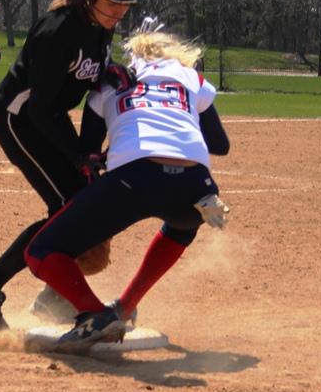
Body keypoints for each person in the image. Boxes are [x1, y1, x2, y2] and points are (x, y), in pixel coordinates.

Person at [0, 0, 147, 330]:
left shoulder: (99, 27)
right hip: (20, 119)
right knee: (66, 208)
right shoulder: (58, 30)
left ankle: (54, 299)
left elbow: (86, 81)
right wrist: (80, 155)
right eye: (113, 4)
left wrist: (112, 76)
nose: (120, 13)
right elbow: (40, 108)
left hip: (49, 119)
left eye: (126, 5)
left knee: (84, 208)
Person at [21, 29, 230, 353]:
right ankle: (124, 307)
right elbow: (220, 144)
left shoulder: (109, 82)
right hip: (198, 185)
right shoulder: (190, 77)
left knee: (40, 252)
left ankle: (95, 314)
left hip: (134, 177)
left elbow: (88, 152)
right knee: (183, 223)